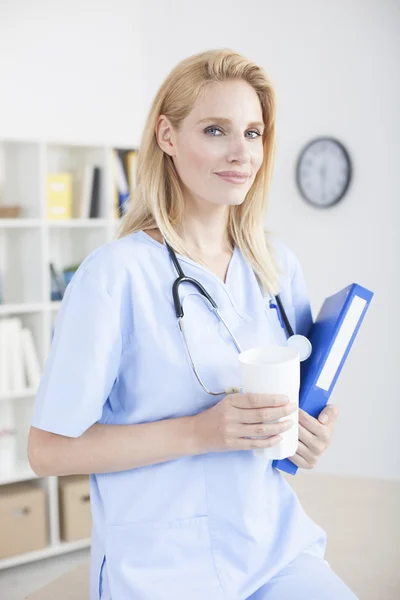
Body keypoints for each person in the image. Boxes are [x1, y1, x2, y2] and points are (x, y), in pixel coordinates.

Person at [27, 48, 356, 600]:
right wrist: (198, 432)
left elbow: (292, 409)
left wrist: (308, 436)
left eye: (253, 133)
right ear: (167, 136)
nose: (241, 153)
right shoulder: (116, 275)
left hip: (273, 548)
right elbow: (47, 451)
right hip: (160, 567)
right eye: (215, 130)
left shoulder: (275, 265)